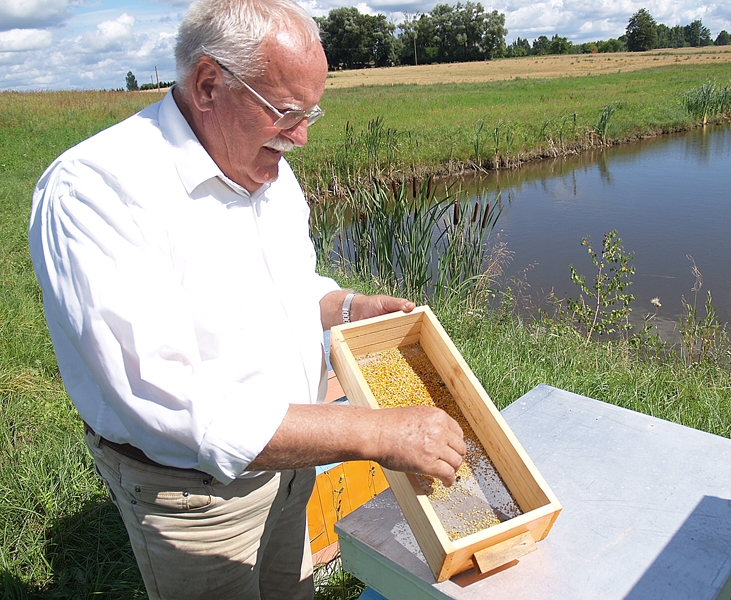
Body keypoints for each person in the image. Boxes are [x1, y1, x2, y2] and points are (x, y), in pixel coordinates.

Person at [28, 0, 466, 598]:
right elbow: (168, 397)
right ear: (209, 84)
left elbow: (283, 289)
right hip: (195, 493)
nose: (303, 136)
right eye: (287, 112)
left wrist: (344, 307)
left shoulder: (268, 168)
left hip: (292, 463)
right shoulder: (96, 192)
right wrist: (373, 432)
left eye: (312, 111)